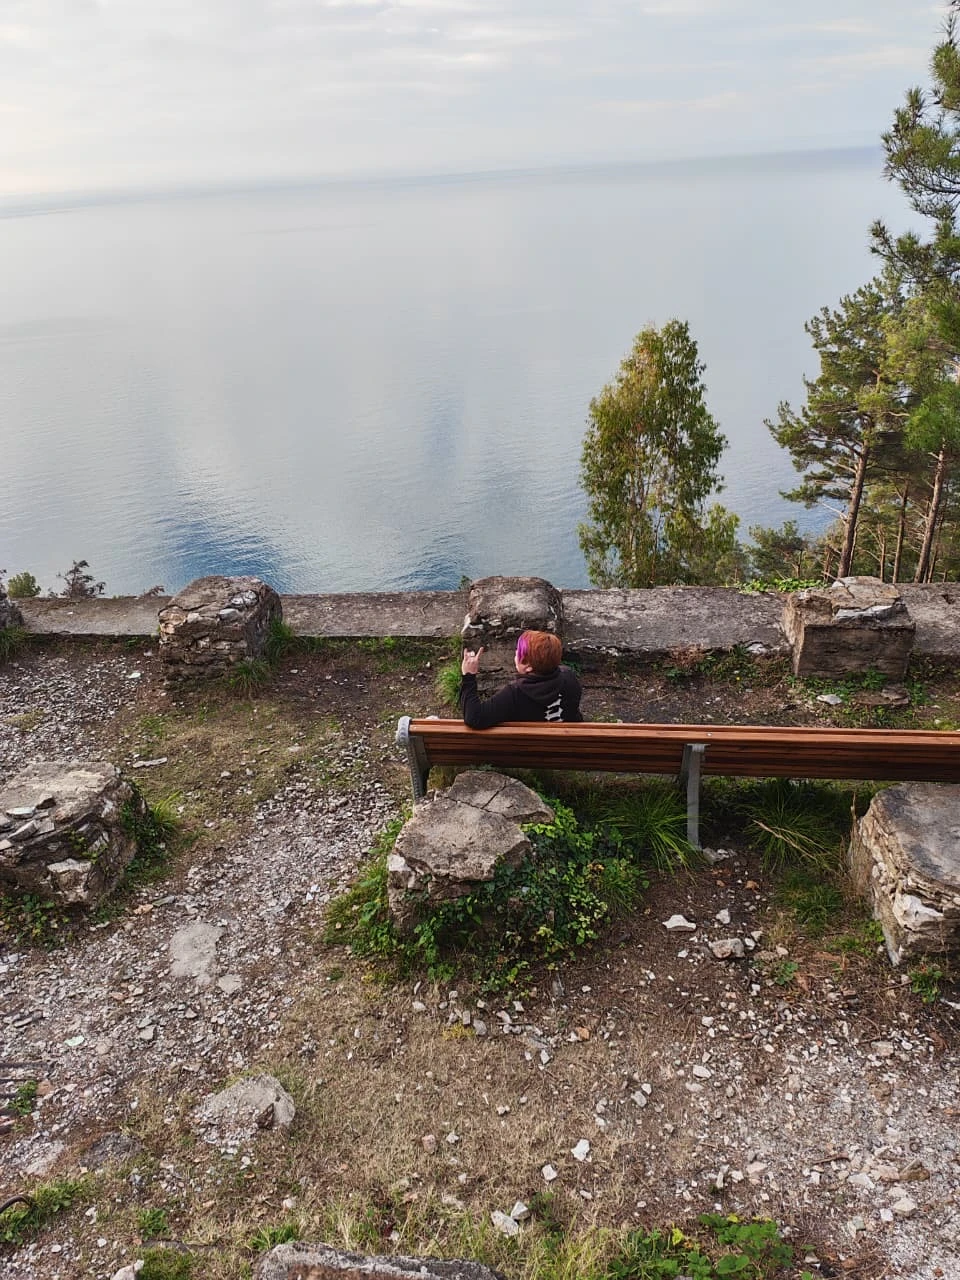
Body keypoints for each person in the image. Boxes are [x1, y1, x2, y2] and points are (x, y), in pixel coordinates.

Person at [459, 629, 583, 729]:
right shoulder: (568, 677)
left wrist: (469, 676)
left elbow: (475, 717)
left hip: (529, 750)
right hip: (568, 747)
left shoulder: (515, 694)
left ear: (529, 667)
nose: (516, 652)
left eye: (519, 652)